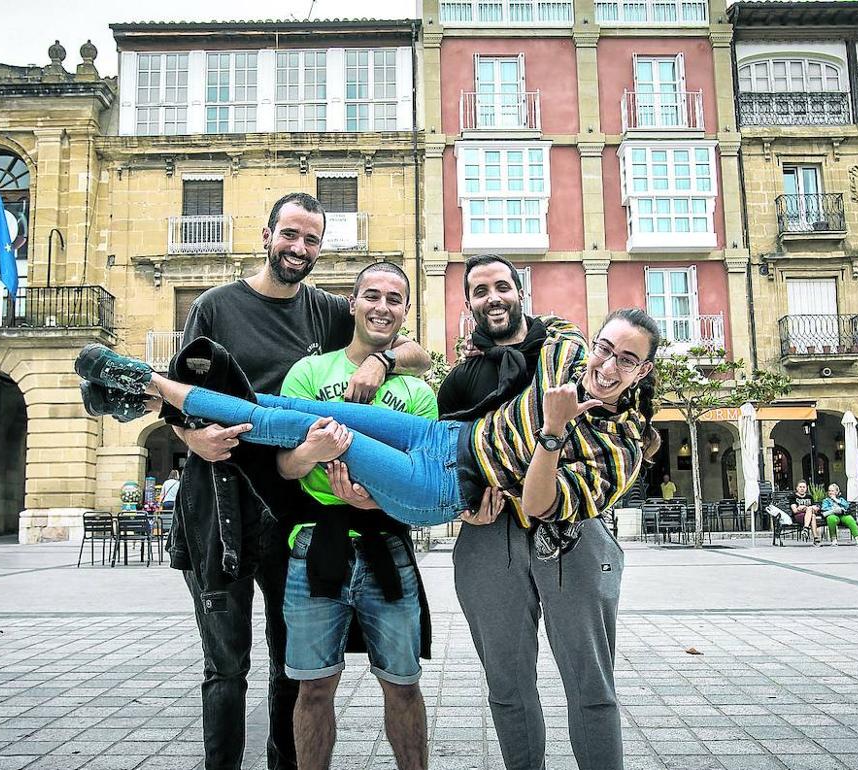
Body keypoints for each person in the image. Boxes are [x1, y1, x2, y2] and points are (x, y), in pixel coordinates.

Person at [91, 191, 430, 770]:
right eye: (290, 235)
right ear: (267, 234)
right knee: (225, 666)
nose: (299, 248)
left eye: (312, 240)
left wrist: (382, 362)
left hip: (287, 508)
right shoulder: (217, 305)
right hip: (218, 502)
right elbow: (178, 389)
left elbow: (410, 346)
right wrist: (189, 438)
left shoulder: (325, 309)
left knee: (288, 664)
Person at [76, 308, 660, 538]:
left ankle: (148, 385)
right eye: (607, 348)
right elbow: (528, 322)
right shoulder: (568, 353)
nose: (607, 366)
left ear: (643, 370)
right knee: (287, 409)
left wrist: (553, 433)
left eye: (626, 360)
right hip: (444, 437)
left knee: (318, 436)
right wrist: (480, 343)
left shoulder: (622, 448)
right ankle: (150, 398)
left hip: (446, 488)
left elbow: (538, 507)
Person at [439, 254, 640, 770]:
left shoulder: (561, 345)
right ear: (469, 304)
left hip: (573, 528)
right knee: (507, 684)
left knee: (590, 682)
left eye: (502, 285)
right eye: (480, 290)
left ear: (520, 291)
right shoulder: (462, 376)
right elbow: (447, 460)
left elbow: (606, 371)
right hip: (490, 532)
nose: (493, 297)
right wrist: (462, 509)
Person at [277, 262, 435, 770]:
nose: (381, 306)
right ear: (353, 303)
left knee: (403, 686)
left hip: (386, 544)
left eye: (394, 299)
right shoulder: (309, 374)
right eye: (372, 295)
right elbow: (284, 464)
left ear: (405, 311)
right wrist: (312, 453)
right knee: (314, 687)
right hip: (314, 546)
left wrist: (380, 501)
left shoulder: (418, 393)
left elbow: (423, 476)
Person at [791, 480, 821, 546]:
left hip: (809, 516)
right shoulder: (793, 497)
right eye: (800, 487)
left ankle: (811, 534)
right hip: (799, 516)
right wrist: (801, 508)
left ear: (806, 488)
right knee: (810, 512)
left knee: (812, 515)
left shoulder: (809, 497)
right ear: (797, 488)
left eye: (804, 487)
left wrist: (813, 508)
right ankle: (808, 531)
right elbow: (795, 510)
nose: (802, 488)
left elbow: (814, 508)